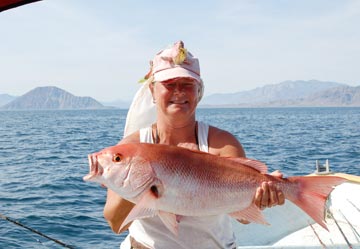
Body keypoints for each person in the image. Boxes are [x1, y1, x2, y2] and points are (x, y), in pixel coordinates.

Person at [103, 41, 285, 249]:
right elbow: (116, 224)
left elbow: (243, 218)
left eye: (187, 84)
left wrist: (263, 198)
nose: (178, 91)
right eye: (169, 84)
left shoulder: (222, 145)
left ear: (199, 92)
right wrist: (141, 182)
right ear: (152, 91)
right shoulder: (130, 150)